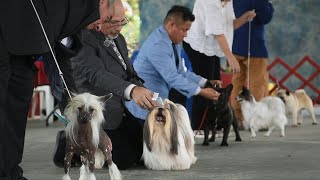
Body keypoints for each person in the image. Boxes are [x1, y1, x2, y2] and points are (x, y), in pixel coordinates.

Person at [0, 0, 101, 179]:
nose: (99, 26)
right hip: (7, 49)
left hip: (22, 58)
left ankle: (10, 172)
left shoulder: (71, 16)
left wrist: (70, 106)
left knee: (14, 120)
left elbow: (61, 57)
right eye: (109, 20)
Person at [70, 0, 156, 170]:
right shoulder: (82, 40)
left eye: (122, 21)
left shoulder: (120, 39)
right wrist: (131, 91)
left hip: (118, 109)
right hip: (95, 113)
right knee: (122, 159)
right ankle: (70, 142)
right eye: (113, 22)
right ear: (99, 17)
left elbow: (129, 74)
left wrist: (143, 91)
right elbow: (97, 74)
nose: (118, 27)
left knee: (146, 143)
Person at [125, 5, 221, 127]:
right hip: (143, 106)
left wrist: (206, 82)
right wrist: (201, 92)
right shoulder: (158, 45)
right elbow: (173, 77)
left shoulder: (172, 41)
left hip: (157, 103)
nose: (186, 35)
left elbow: (181, 72)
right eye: (184, 30)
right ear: (171, 25)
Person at [183, 0, 256, 129]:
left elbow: (230, 25)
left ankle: (213, 125)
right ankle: (198, 127)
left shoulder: (228, 2)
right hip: (199, 46)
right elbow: (217, 32)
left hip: (213, 47)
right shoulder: (210, 2)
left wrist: (244, 18)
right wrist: (230, 57)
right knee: (206, 85)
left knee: (216, 85)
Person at [230, 0, 274, 129]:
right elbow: (265, 17)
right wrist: (269, 4)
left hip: (235, 45)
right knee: (257, 83)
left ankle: (237, 119)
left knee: (237, 82)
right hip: (255, 47)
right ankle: (257, 119)